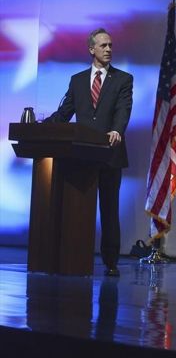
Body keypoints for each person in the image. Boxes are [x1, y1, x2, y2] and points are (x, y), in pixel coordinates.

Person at [45, 28, 133, 277]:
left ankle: (111, 261)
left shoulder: (123, 79)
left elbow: (123, 110)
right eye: (103, 45)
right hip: (82, 154)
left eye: (111, 45)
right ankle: (74, 253)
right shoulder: (77, 80)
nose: (108, 49)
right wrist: (43, 127)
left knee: (109, 209)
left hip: (109, 153)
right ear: (91, 49)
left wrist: (117, 130)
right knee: (79, 206)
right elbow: (65, 112)